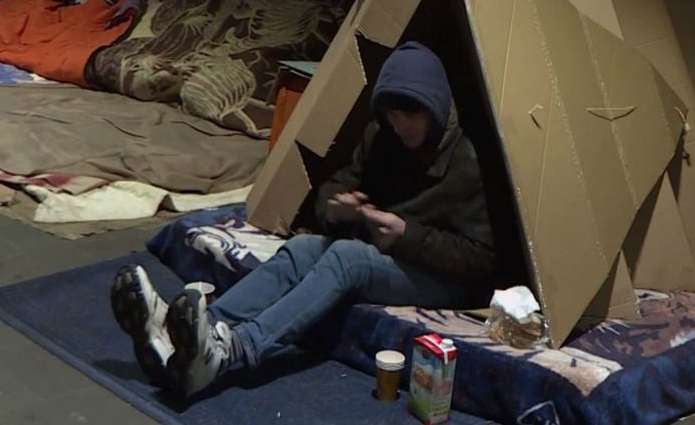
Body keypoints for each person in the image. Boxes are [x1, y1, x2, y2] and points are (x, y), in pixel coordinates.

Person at [110, 41, 497, 398]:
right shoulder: (383, 137)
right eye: (393, 114)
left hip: (441, 277)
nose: (401, 124)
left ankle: (235, 351)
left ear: (434, 107)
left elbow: (481, 260)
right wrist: (338, 207)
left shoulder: (467, 161)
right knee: (300, 248)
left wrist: (407, 235)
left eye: (411, 113)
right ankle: (200, 333)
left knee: (347, 259)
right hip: (387, 252)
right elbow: (332, 189)